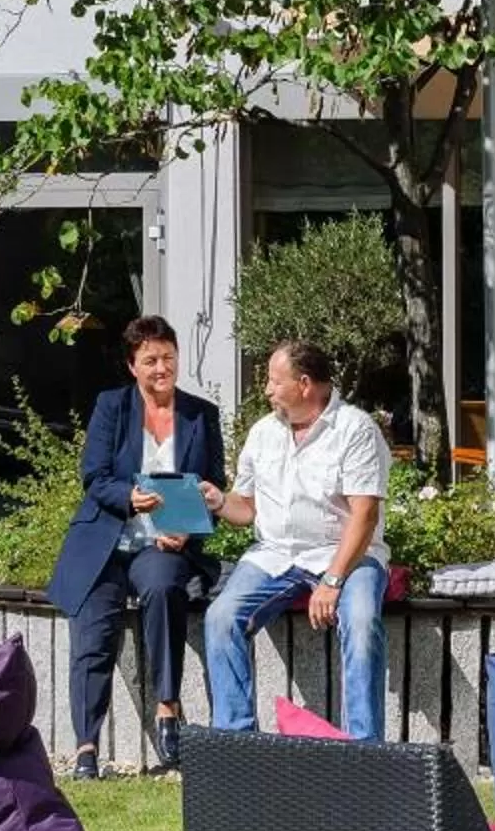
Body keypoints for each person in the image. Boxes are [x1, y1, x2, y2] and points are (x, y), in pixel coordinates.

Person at [44, 315, 227, 779]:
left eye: (168, 357)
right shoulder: (112, 406)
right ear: (132, 365)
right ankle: (86, 746)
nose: (161, 368)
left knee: (164, 586)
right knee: (93, 625)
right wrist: (129, 496)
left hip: (164, 544)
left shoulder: (201, 414)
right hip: (107, 540)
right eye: (150, 360)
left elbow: (214, 487)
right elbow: (94, 478)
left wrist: (188, 529)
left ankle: (167, 707)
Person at [203, 340, 393, 740]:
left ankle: (365, 750)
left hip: (347, 555)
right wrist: (218, 501)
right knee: (221, 617)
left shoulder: (355, 429)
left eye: (275, 382)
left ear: (304, 384)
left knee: (361, 623)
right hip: (275, 554)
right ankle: (236, 743)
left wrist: (333, 580)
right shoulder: (263, 432)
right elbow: (247, 508)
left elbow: (364, 515)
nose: (267, 390)